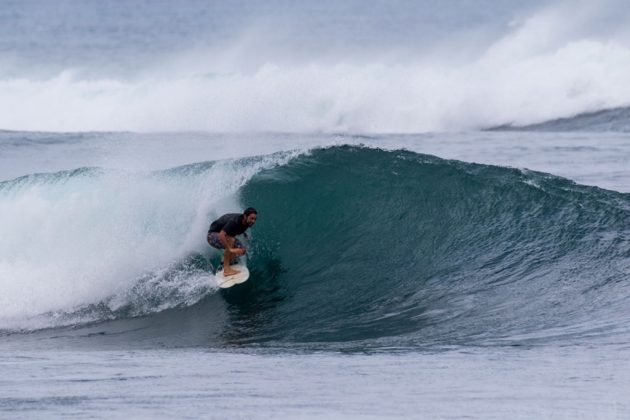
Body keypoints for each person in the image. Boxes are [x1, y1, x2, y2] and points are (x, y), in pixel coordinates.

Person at [207, 207, 258, 276]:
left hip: (222, 235)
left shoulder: (246, 221)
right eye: (252, 218)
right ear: (245, 216)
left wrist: (244, 235)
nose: (253, 221)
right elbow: (222, 235)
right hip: (212, 236)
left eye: (255, 219)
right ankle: (226, 270)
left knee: (242, 250)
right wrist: (230, 249)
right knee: (231, 240)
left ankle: (224, 262)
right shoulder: (235, 221)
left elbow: (238, 228)